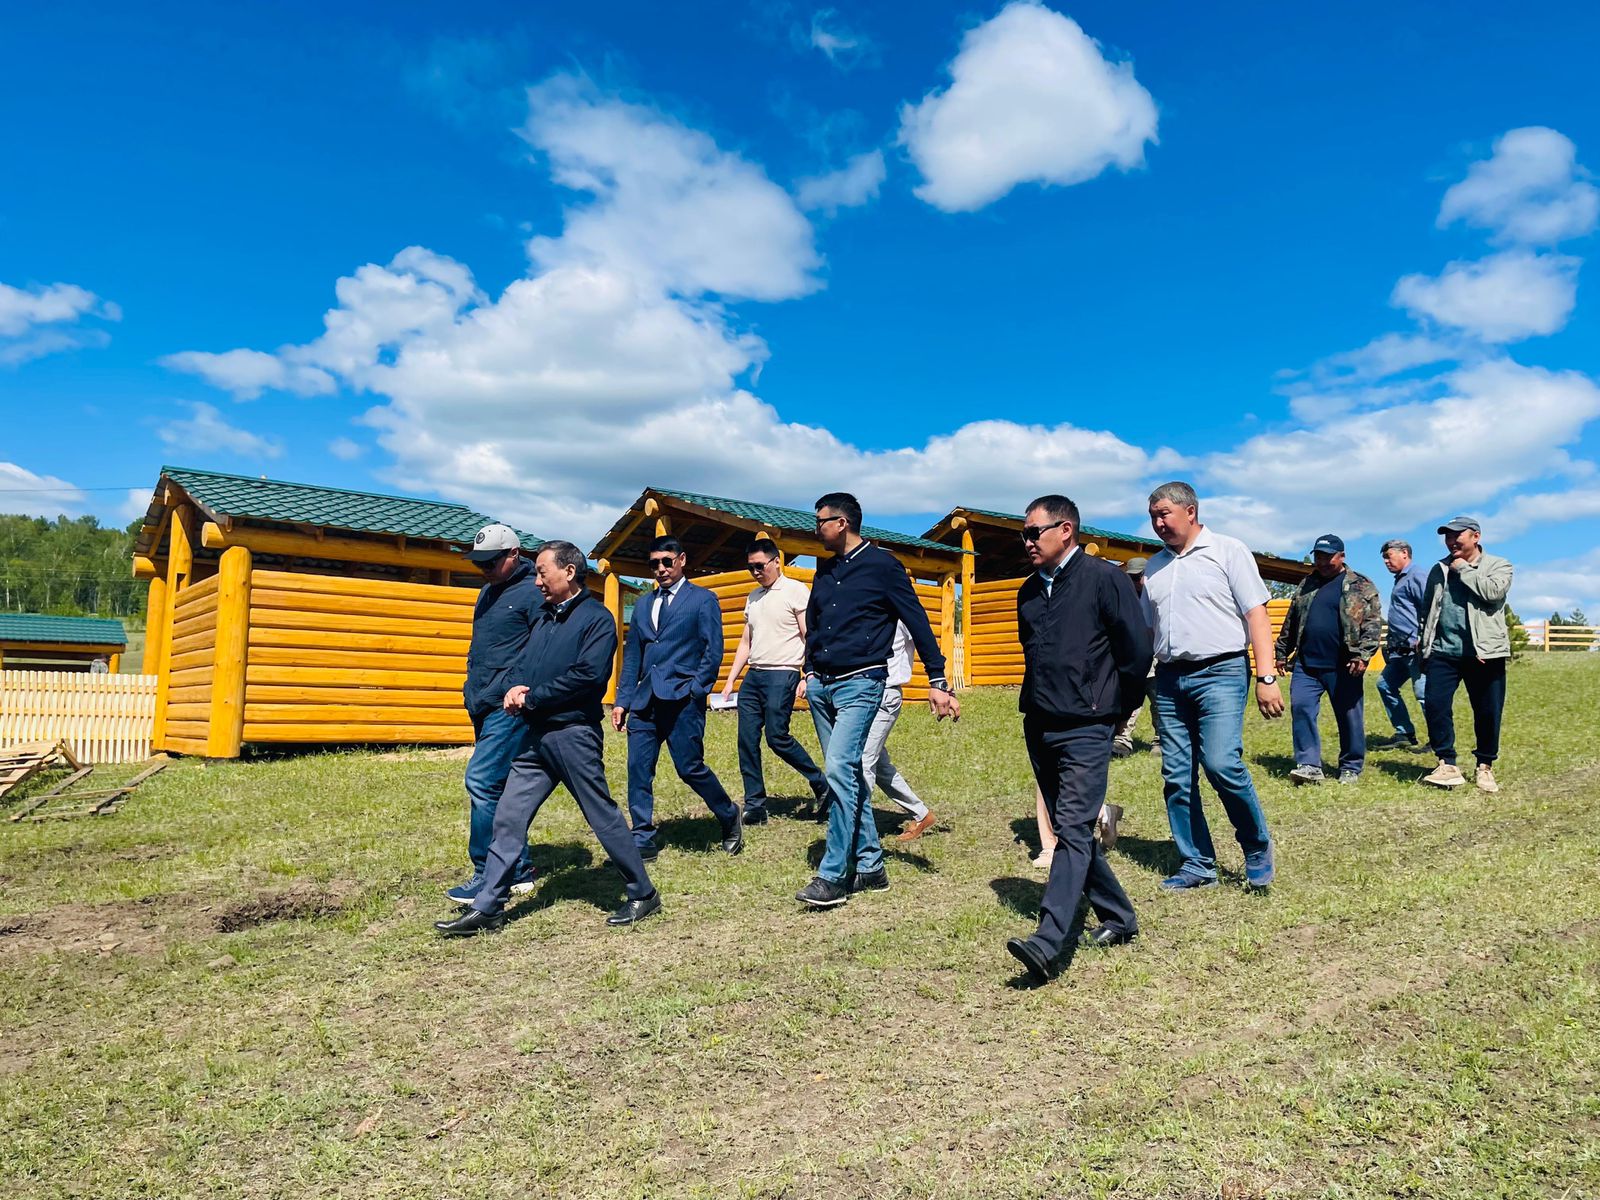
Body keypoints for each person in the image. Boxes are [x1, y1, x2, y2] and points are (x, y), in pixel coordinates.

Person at [436, 542, 660, 935]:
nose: (537, 580)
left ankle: (643, 893)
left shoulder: (597, 619)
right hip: (535, 735)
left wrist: (533, 695)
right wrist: (514, 687)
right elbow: (525, 664)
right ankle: (488, 907)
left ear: (569, 573)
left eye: (542, 572)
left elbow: (589, 677)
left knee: (600, 815)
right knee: (508, 816)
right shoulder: (544, 617)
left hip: (573, 735)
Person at [1005, 495, 1151, 985]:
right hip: (1040, 723)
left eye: (1033, 532)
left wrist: (1114, 711)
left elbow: (1136, 652)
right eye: (1023, 534)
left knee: (1070, 828)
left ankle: (1048, 942)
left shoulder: (1105, 579)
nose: (1026, 542)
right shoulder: (1027, 592)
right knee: (1075, 830)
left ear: (1065, 530)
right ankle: (1120, 916)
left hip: (1089, 724)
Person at [794, 493, 960, 908]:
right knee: (847, 775)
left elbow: (916, 619)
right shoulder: (826, 569)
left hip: (862, 684)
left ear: (843, 523)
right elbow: (815, 623)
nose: (817, 529)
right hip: (822, 685)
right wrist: (810, 670)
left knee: (838, 769)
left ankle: (834, 875)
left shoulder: (883, 566)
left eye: (821, 522)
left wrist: (938, 678)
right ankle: (871, 866)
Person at [1142, 481, 1284, 890]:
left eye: (1164, 513)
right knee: (1176, 775)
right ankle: (1198, 864)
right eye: (1153, 516)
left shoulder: (1228, 551)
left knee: (1222, 763)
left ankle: (1256, 846)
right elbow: (1147, 630)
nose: (1158, 523)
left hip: (1221, 672)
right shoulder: (1154, 567)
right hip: (1169, 679)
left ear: (1190, 511)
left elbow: (1257, 615)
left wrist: (1266, 676)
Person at [613, 536, 743, 860]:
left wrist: (697, 689)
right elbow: (633, 656)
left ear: (681, 560)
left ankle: (729, 814)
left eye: (666, 561)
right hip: (645, 701)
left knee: (689, 768)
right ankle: (642, 836)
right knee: (638, 769)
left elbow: (713, 650)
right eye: (654, 563)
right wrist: (622, 699)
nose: (660, 568)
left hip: (683, 699)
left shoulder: (702, 600)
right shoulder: (644, 604)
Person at [448, 523, 538, 906]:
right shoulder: (488, 591)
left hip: (508, 705)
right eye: (479, 561)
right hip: (482, 702)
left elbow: (540, 648)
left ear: (514, 554)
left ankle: (486, 873)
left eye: (491, 561)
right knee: (500, 787)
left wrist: (517, 689)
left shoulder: (535, 592)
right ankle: (518, 870)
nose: (483, 568)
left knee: (482, 780)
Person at [719, 538, 830, 825]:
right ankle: (755, 804)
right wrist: (731, 680)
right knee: (746, 740)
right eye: (750, 567)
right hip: (753, 676)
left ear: (776, 561)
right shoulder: (753, 596)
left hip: (784, 672)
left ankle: (820, 782)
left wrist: (808, 673)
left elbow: (809, 636)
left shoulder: (795, 591)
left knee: (777, 737)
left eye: (759, 566)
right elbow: (746, 640)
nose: (755, 572)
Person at [1273, 534, 1382, 786]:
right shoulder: (1307, 583)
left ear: (1341, 556)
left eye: (1327, 557)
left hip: (1344, 665)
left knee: (1349, 716)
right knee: (1301, 708)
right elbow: (1292, 619)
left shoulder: (1361, 585)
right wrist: (1281, 652)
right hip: (1307, 665)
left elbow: (1373, 624)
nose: (1321, 562)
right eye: (1318, 556)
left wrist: (1363, 655)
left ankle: (1351, 766)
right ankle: (1309, 764)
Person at [1418, 517, 1513, 793]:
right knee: (1435, 705)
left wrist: (1463, 569)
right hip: (1444, 652)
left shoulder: (1499, 565)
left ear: (1476, 536)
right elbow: (1429, 608)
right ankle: (1446, 763)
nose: (1451, 541)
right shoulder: (1439, 569)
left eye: (1457, 536)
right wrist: (1425, 643)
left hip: (1484, 652)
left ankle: (1485, 766)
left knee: (1488, 711)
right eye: (1447, 537)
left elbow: (1493, 593)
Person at [861, 622, 938, 843]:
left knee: (863, 762)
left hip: (886, 695)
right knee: (879, 764)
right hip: (862, 695)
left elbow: (926, 643)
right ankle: (922, 814)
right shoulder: (869, 608)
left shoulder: (902, 614)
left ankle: (858, 832)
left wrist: (941, 684)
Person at [1372, 539, 1429, 748]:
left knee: (1423, 694)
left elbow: (1430, 608)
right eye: (1384, 558)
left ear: (1404, 553)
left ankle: (1439, 740)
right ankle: (1404, 733)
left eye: (1389, 556)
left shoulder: (1417, 576)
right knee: (1385, 685)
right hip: (1400, 650)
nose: (1386, 561)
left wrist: (1423, 639)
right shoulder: (1401, 578)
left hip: (1416, 649)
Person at [1110, 555, 1161, 764]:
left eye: (1139, 576)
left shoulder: (1157, 594)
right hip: (1133, 656)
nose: (1136, 581)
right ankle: (1122, 739)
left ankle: (1161, 740)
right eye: (1132, 577)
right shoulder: (1125, 597)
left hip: (1157, 655)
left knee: (1159, 700)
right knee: (1130, 698)